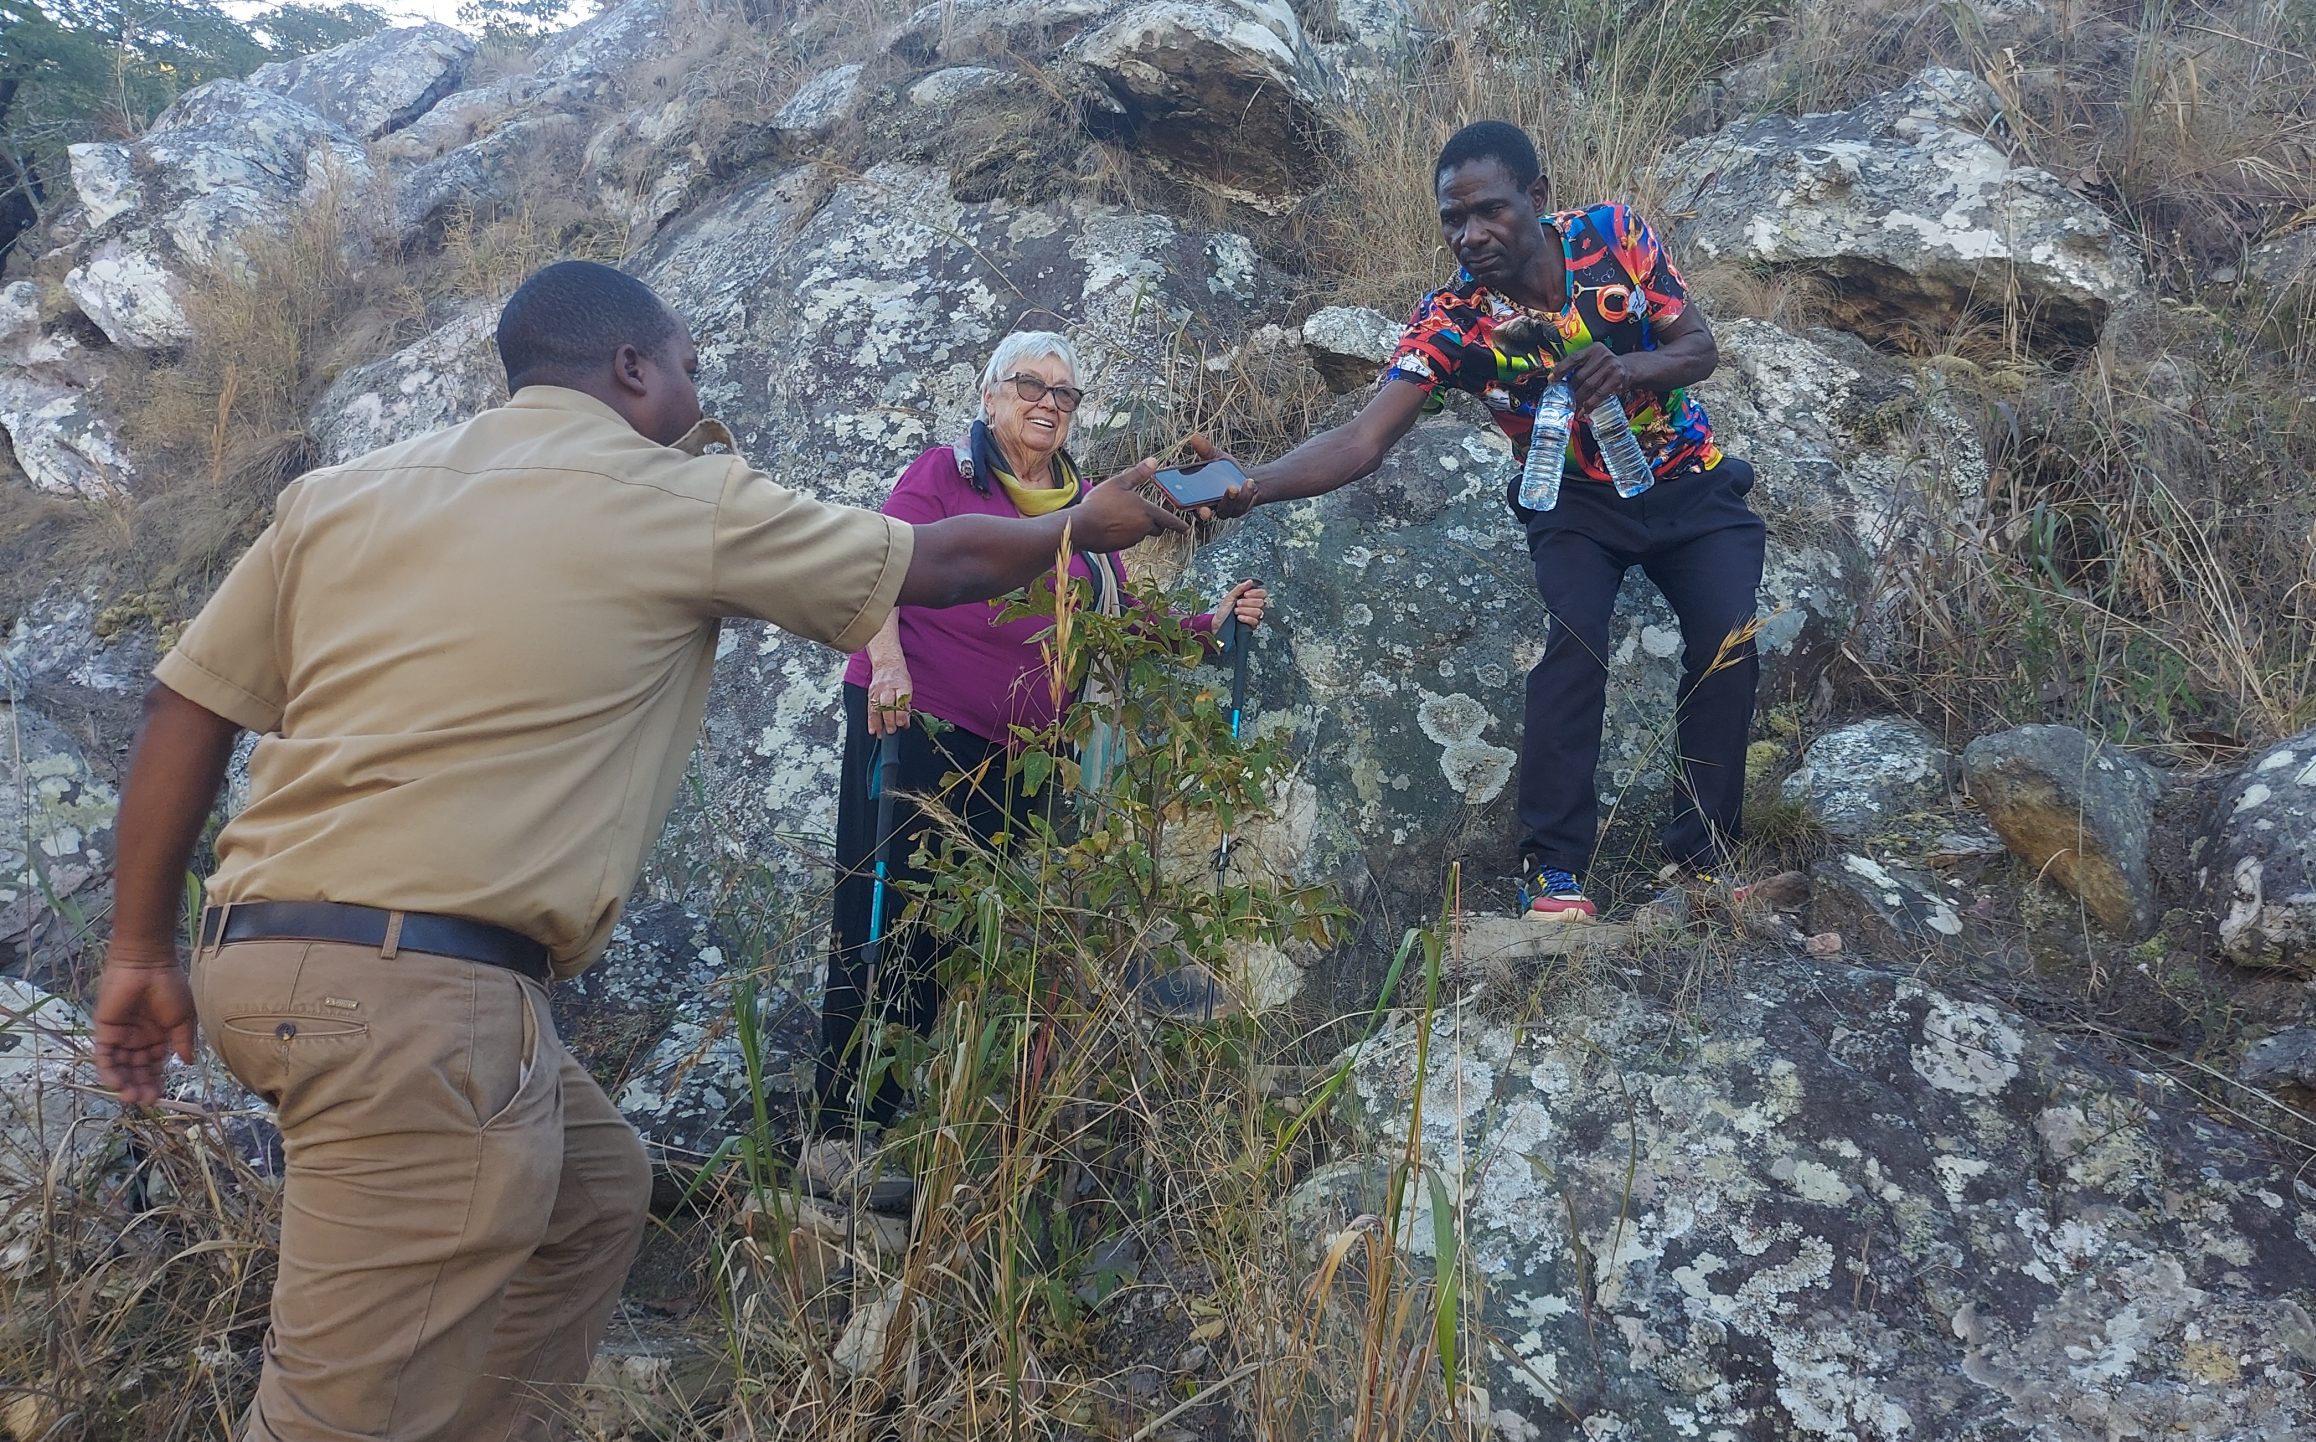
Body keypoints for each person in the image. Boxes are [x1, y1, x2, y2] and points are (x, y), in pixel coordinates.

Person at [87, 260, 1183, 1442]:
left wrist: (139, 943)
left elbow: (184, 705)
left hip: (257, 955)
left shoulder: (341, 492)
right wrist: (1083, 523)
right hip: (418, 998)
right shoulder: (676, 496)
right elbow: (939, 567)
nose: (696, 391)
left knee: (594, 1193)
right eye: (691, 369)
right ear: (631, 369)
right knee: (333, 1411)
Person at [1244, 121, 1765, 920]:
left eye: (1489, 210)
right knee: (1576, 644)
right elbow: (1362, 439)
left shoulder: (1613, 237)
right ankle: (1552, 871)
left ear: (1538, 197)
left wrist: (1627, 368)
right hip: (1574, 503)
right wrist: (1251, 485)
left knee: (1728, 642)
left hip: (1685, 481)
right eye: (1453, 218)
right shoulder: (1452, 318)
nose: (1471, 234)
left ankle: (1703, 863)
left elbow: (1696, 347)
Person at [810, 330, 1266, 1188]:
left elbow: (1118, 624)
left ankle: (904, 1130)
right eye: (1031, 386)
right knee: (877, 921)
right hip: (914, 724)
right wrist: (889, 663)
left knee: (950, 939)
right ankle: (835, 1138)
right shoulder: (943, 477)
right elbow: (872, 563)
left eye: (1066, 394)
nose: (1049, 403)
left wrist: (1210, 625)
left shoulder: (1092, 507)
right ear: (989, 396)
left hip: (1022, 760)